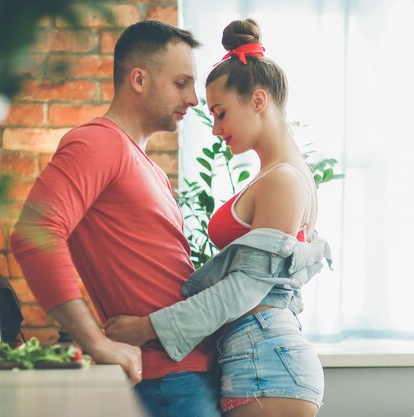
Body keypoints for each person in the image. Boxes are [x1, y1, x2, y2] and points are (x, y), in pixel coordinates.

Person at [103, 18, 331, 417]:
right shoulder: (280, 174)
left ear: (258, 101)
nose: (215, 129)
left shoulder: (283, 181)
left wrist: (147, 328)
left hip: (266, 360)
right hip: (258, 356)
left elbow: (245, 289)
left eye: (221, 113)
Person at [9, 20, 221, 417]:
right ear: (138, 79)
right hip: (168, 383)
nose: (194, 99)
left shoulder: (151, 169)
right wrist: (95, 342)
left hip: (191, 375)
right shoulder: (98, 142)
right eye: (181, 83)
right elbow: (35, 232)